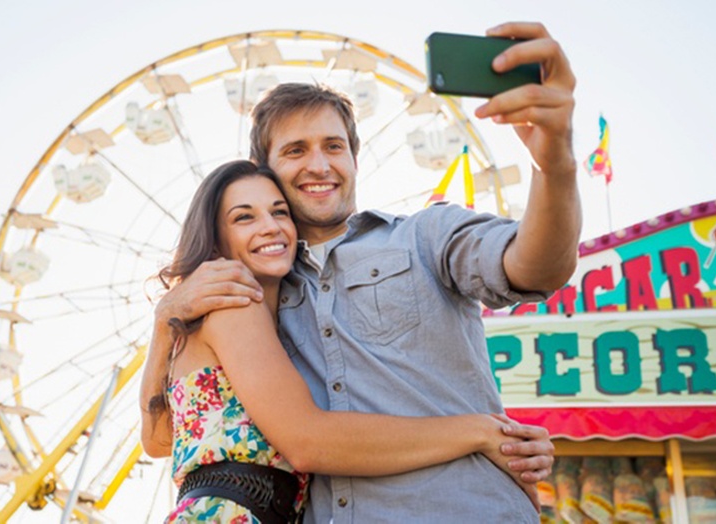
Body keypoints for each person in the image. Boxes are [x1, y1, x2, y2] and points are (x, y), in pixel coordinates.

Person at [145, 22, 579, 523]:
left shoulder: (425, 236)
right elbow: (169, 437)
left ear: (354, 157)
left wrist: (555, 163)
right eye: (294, 150)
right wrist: (166, 319)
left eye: (333, 146)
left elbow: (536, 265)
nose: (319, 164)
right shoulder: (250, 298)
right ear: (263, 170)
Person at [142, 159, 551, 523]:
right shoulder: (235, 306)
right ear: (216, 238)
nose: (270, 226)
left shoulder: (254, 324)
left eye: (279, 211)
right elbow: (307, 441)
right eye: (244, 218)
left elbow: (159, 439)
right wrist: (479, 432)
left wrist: (164, 329)